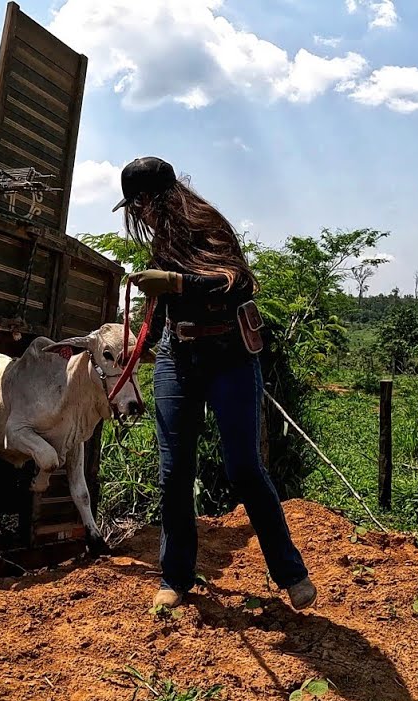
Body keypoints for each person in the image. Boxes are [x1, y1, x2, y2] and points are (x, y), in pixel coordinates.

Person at [113, 156, 317, 612]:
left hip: (229, 357)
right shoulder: (163, 240)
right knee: (174, 474)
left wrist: (177, 282)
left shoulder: (207, 224)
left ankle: (290, 572)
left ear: (152, 198)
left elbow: (239, 282)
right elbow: (168, 311)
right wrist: (144, 341)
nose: (139, 214)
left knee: (244, 469)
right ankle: (175, 578)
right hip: (177, 357)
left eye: (139, 204)